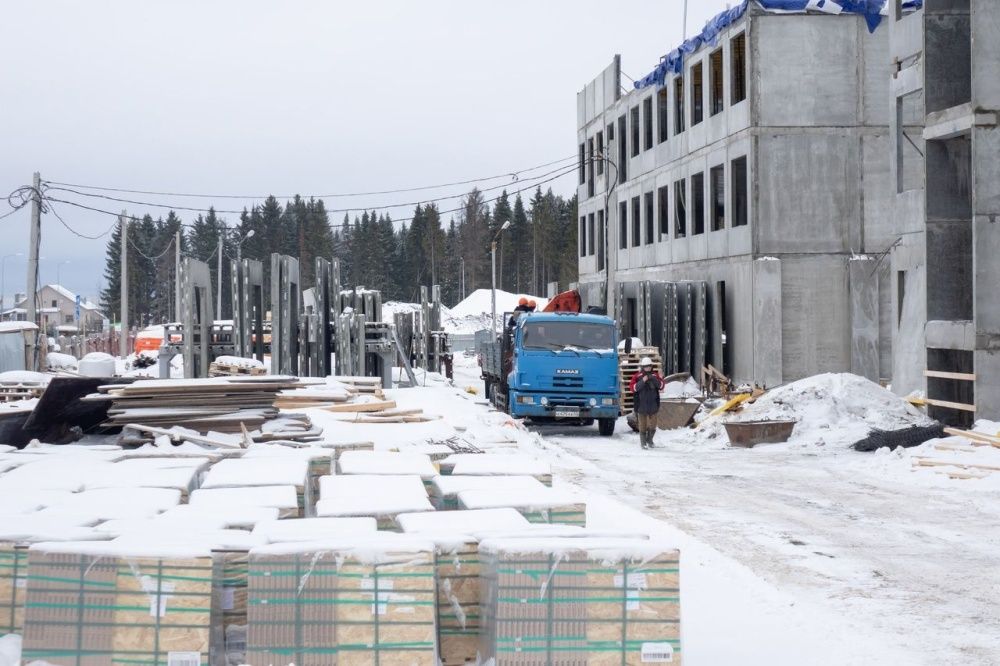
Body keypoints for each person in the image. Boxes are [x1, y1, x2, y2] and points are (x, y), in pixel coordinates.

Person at [628, 357, 664, 449]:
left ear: (651, 366)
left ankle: (650, 441)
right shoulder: (637, 376)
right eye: (646, 366)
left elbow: (661, 386)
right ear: (642, 367)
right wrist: (643, 381)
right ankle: (643, 443)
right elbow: (633, 388)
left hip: (653, 405)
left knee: (653, 425)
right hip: (641, 405)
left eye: (649, 366)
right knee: (642, 425)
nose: (648, 368)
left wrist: (655, 379)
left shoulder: (655, 375)